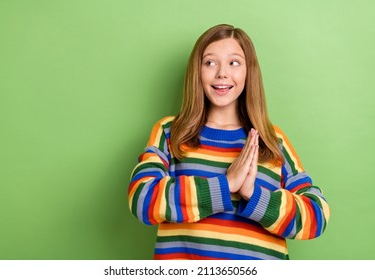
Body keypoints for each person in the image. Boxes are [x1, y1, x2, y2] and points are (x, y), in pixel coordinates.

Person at [128, 24, 330, 260]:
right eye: (210, 62)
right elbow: (142, 199)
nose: (222, 73)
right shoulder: (172, 132)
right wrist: (226, 184)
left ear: (248, 72)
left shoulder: (272, 140)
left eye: (234, 62)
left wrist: (253, 194)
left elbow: (316, 216)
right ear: (197, 72)